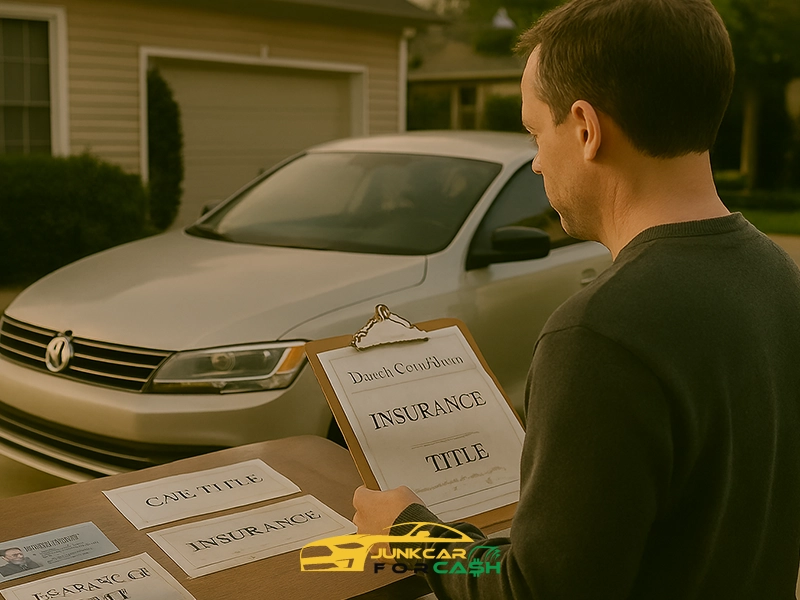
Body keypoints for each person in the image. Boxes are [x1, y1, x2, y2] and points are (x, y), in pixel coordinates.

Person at [352, 0, 800, 598]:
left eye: (536, 132)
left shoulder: (599, 333)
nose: (536, 160)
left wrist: (413, 535)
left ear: (586, 130)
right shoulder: (779, 277)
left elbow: (533, 588)